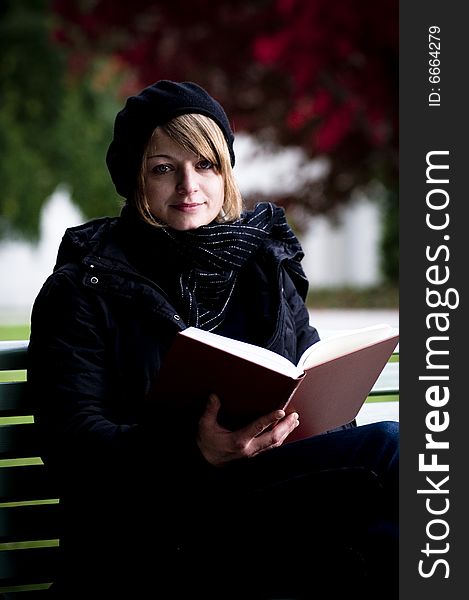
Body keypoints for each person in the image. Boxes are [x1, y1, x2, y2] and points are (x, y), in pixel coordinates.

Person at [28, 80, 398, 599]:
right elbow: (72, 447)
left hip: (268, 503)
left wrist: (315, 415)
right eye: (163, 169)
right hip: (157, 531)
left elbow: (313, 384)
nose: (189, 187)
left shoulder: (264, 269)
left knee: (389, 531)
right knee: (394, 448)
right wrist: (194, 450)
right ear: (132, 179)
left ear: (225, 173)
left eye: (205, 165)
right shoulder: (83, 288)